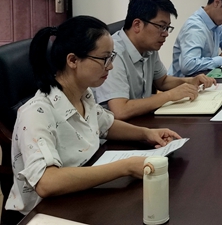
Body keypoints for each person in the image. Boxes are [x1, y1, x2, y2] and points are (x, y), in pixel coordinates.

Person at [5, 16, 181, 216]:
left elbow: (106, 124)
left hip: (78, 197)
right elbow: (47, 182)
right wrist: (125, 167)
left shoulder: (83, 94)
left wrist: (147, 134)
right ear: (73, 60)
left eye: (111, 57)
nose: (110, 66)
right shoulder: (36, 113)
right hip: (40, 213)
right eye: (104, 58)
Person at [93, 0, 215, 120]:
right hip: (112, 129)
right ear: (137, 25)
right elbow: (120, 110)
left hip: (141, 120)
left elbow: (162, 81)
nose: (166, 33)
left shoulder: (149, 48)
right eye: (161, 26)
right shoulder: (113, 53)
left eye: (167, 27)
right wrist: (169, 95)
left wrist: (191, 81)